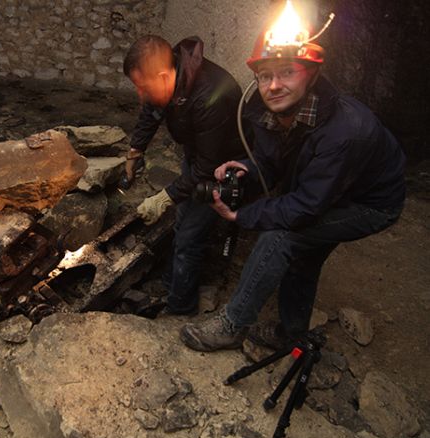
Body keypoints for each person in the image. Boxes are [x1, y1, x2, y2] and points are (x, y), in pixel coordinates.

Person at [180, 25, 406, 351]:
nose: (273, 85)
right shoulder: (268, 110)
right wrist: (248, 166)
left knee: (283, 234)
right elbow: (273, 160)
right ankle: (292, 332)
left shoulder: (346, 130)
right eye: (264, 75)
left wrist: (240, 214)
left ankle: (232, 325)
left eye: (287, 72)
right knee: (306, 253)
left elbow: (306, 207)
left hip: (369, 203)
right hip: (327, 188)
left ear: (312, 73)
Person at [122, 35, 243, 315]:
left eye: (142, 87)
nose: (140, 95)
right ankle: (170, 284)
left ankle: (180, 308)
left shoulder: (210, 96)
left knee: (190, 237)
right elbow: (150, 111)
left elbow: (206, 169)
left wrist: (164, 197)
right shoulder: (168, 79)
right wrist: (135, 151)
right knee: (181, 223)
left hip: (223, 166)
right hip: (198, 154)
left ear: (164, 76)